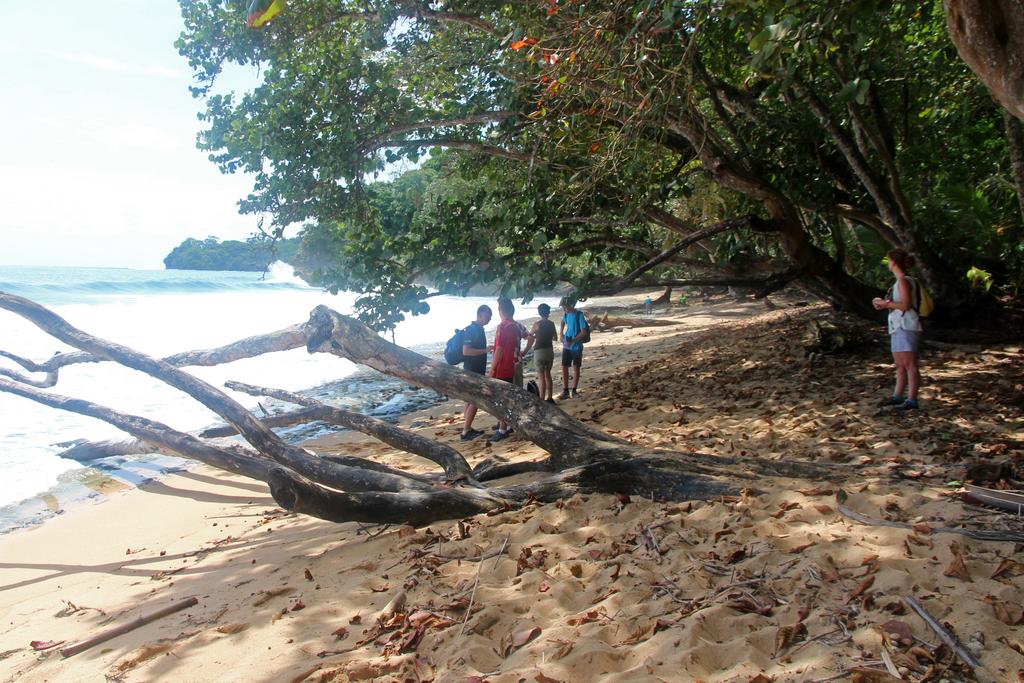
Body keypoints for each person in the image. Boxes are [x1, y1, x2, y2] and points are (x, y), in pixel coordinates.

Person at [872, 249, 923, 410]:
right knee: (900, 365)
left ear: (893, 262)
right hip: (898, 326)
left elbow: (906, 305)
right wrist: (884, 303)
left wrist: (886, 304)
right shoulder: (900, 282)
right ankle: (897, 395)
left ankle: (912, 399)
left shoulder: (903, 281)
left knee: (910, 364)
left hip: (906, 325)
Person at [489, 297, 522, 442]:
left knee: (501, 399)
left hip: (503, 366)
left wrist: (492, 368)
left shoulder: (502, 326)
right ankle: (507, 425)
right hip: (513, 364)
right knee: (509, 396)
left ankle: (502, 429)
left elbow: (500, 349)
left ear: (501, 310)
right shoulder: (515, 326)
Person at [460, 304, 493, 440]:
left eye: (490, 317)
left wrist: (485, 349)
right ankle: (466, 431)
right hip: (471, 370)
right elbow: (465, 351)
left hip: (476, 369)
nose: (489, 319)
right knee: (476, 399)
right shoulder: (471, 329)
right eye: (487, 316)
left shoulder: (479, 329)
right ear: (479, 315)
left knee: (470, 399)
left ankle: (466, 428)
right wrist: (485, 350)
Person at [522, 302, 556, 403]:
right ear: (548, 313)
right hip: (549, 350)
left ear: (539, 312)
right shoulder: (552, 324)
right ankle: (550, 398)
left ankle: (542, 399)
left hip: (539, 351)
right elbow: (555, 337)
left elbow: (530, 336)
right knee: (548, 375)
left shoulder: (537, 324)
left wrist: (532, 338)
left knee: (541, 377)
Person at [558, 296, 589, 399]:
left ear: (571, 305)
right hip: (567, 345)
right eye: (563, 307)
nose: (564, 309)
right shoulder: (566, 314)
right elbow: (562, 321)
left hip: (576, 346)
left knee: (576, 367)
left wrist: (574, 340)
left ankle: (574, 391)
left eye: (565, 307)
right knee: (564, 367)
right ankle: (565, 390)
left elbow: (584, 332)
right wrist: (561, 333)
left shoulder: (579, 315)